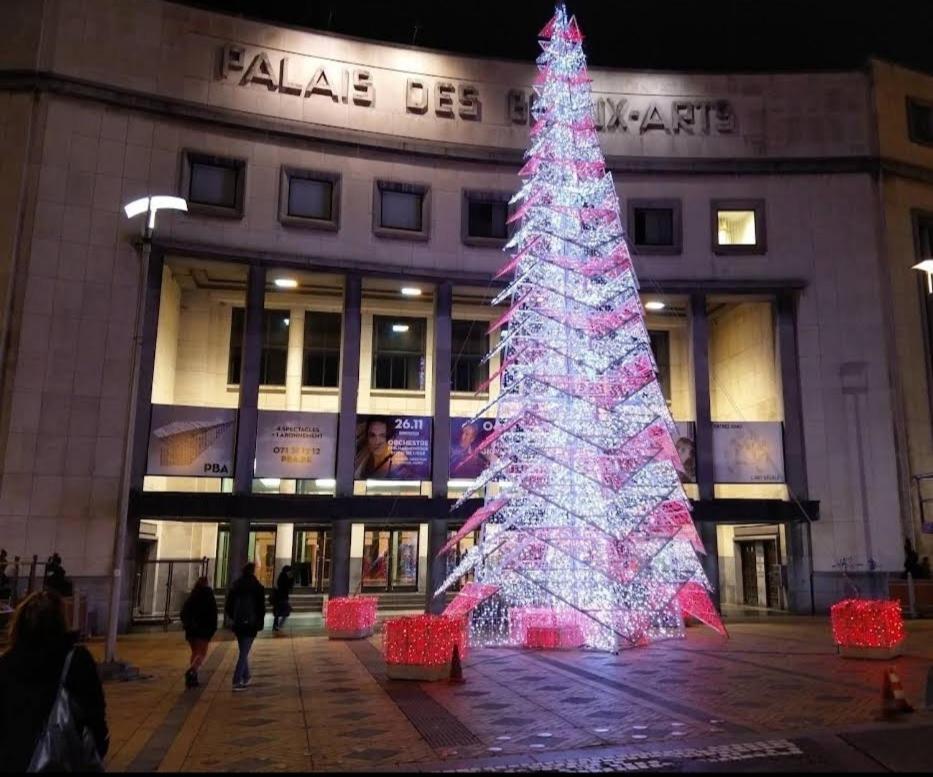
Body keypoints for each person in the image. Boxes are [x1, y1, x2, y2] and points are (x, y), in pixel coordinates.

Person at [0, 591, 109, 771]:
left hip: (15, 762)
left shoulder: (6, 664)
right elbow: (95, 716)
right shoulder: (76, 661)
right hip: (66, 761)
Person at [224, 562, 266, 691]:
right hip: (251, 624)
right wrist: (259, 621)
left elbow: (229, 605)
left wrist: (233, 617)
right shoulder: (257, 587)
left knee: (243, 650)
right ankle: (237, 680)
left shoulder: (236, 586)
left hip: (238, 623)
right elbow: (261, 607)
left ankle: (246, 676)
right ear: (253, 572)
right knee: (243, 653)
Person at [179, 576, 218, 688]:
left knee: (195, 652)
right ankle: (192, 671)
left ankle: (193, 676)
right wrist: (212, 629)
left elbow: (183, 613)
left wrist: (188, 624)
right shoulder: (208, 596)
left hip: (191, 631)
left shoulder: (193, 595)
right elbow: (213, 614)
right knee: (202, 653)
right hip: (203, 630)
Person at [271, 566, 294, 632]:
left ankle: (276, 626)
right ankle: (278, 625)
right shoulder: (285, 577)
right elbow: (289, 586)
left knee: (278, 612)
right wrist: (291, 578)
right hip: (283, 597)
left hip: (279, 597)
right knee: (287, 610)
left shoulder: (281, 576)